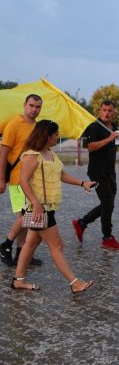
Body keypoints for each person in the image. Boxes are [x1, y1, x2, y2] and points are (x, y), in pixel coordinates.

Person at [11, 120, 94, 293]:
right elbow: (23, 181)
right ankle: (75, 283)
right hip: (40, 209)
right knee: (57, 246)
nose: (58, 137)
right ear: (46, 136)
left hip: (46, 207)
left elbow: (60, 174)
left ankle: (18, 281)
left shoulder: (50, 153)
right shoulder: (32, 155)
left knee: (30, 243)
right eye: (56, 134)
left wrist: (82, 183)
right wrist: (35, 203)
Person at [72, 100, 119, 250]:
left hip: (110, 171)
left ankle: (82, 223)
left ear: (114, 112)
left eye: (110, 110)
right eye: (104, 110)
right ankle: (107, 238)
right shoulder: (95, 126)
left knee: (109, 204)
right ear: (100, 111)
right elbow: (91, 147)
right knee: (108, 203)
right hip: (97, 171)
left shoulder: (113, 127)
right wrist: (109, 139)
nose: (107, 113)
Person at [0, 94, 44, 267]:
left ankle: (21, 254)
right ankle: (6, 245)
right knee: (26, 215)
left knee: (25, 216)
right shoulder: (14, 124)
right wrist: (1, 178)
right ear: (24, 105)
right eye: (31, 105)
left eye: (38, 107)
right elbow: (3, 153)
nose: (34, 109)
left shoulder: (38, 127)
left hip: (32, 179)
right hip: (17, 178)